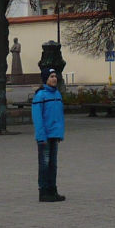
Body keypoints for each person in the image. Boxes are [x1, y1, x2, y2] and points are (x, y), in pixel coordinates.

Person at [31, 68, 65, 202]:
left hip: (54, 135)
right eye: (51, 76)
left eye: (55, 76)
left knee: (53, 164)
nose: (54, 79)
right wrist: (41, 136)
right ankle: (44, 191)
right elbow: (38, 118)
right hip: (44, 136)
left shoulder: (57, 94)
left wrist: (60, 133)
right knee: (45, 164)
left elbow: (59, 117)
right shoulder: (40, 96)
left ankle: (52, 189)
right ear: (45, 79)